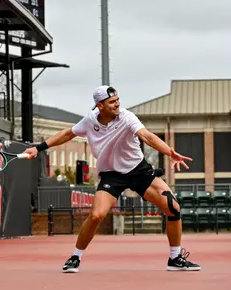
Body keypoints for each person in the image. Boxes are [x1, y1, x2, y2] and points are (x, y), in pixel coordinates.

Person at [22, 86, 201, 273]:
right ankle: (75, 257)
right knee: (96, 215)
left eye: (117, 100)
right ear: (100, 105)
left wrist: (169, 152)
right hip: (111, 174)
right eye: (112, 102)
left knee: (173, 208)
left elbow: (147, 136)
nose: (117, 104)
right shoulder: (89, 121)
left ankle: (175, 258)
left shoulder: (127, 117)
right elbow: (68, 133)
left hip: (138, 170)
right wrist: (38, 148)